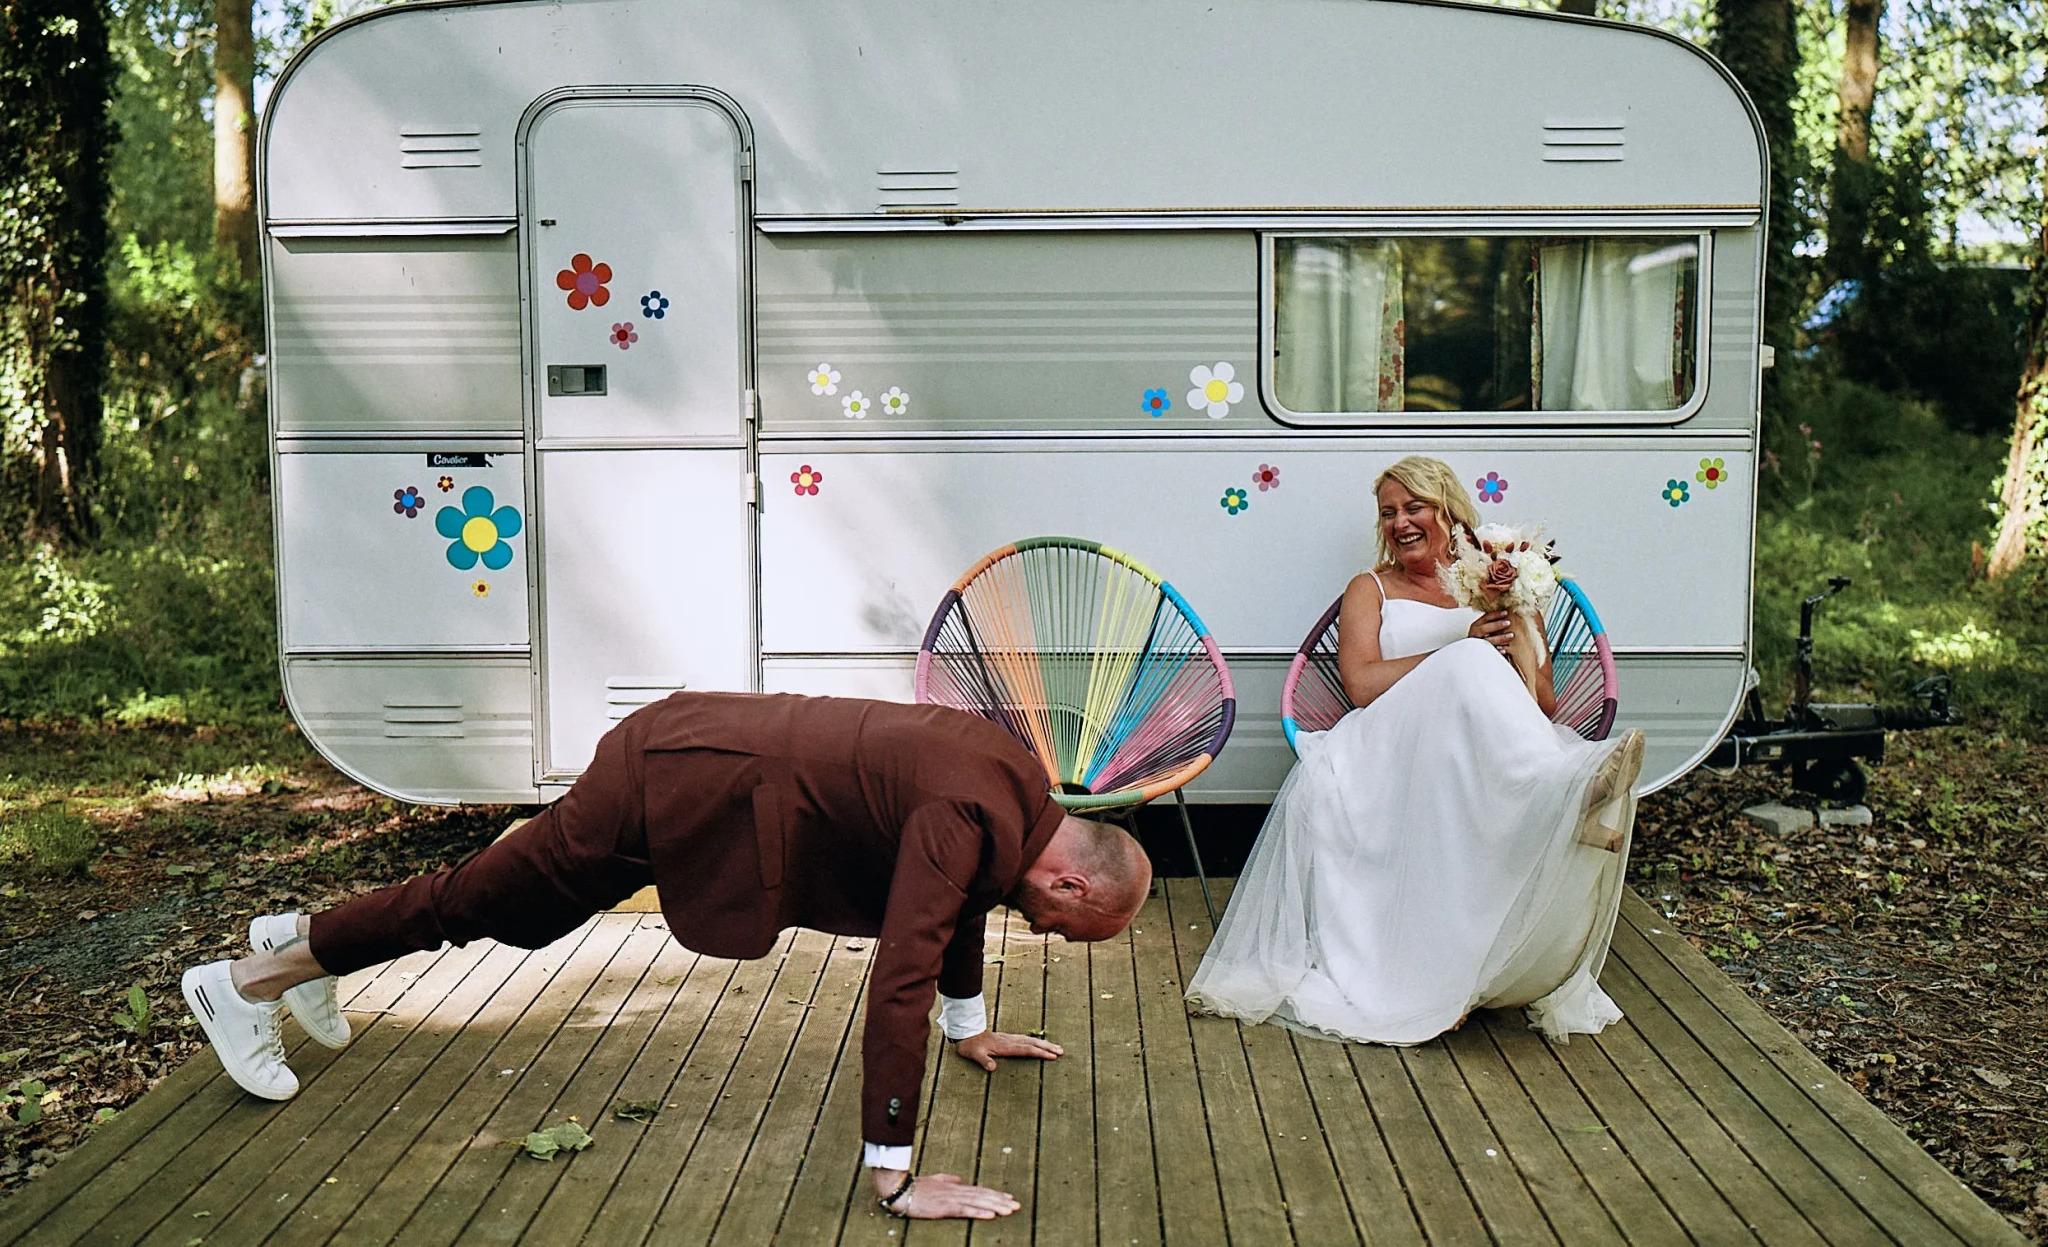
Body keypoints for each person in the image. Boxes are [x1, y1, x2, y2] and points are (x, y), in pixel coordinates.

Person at [180, 691, 1151, 1222]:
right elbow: (899, 976)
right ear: (1068, 884)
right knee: (483, 907)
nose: (1056, 939)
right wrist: (893, 1176)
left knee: (487, 909)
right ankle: (242, 983)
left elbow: (968, 902)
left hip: (707, 776)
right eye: (1072, 931)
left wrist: (969, 1028)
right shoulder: (968, 818)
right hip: (675, 783)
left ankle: (300, 943)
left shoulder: (1018, 796)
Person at [1186, 455, 1646, 1045]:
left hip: (1481, 752)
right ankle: (1564, 785)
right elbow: (1360, 686)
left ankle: (1547, 787)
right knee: (1470, 658)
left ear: (1448, 510)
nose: (1400, 522)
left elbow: (1544, 708)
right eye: (1388, 513)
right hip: (1389, 742)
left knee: (1480, 667)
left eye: (1414, 508)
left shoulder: (1491, 584)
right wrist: (1460, 650)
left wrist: (1517, 618)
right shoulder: (1369, 589)